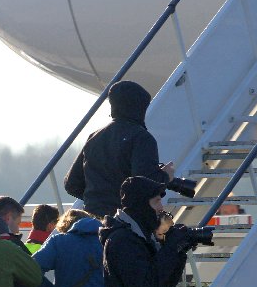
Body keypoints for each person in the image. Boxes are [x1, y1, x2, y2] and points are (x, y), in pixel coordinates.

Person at [64, 80, 175, 217]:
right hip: (124, 222)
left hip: (93, 219)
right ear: (139, 107)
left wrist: (97, 200)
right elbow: (143, 183)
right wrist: (165, 176)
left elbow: (71, 184)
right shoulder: (141, 138)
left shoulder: (94, 137)